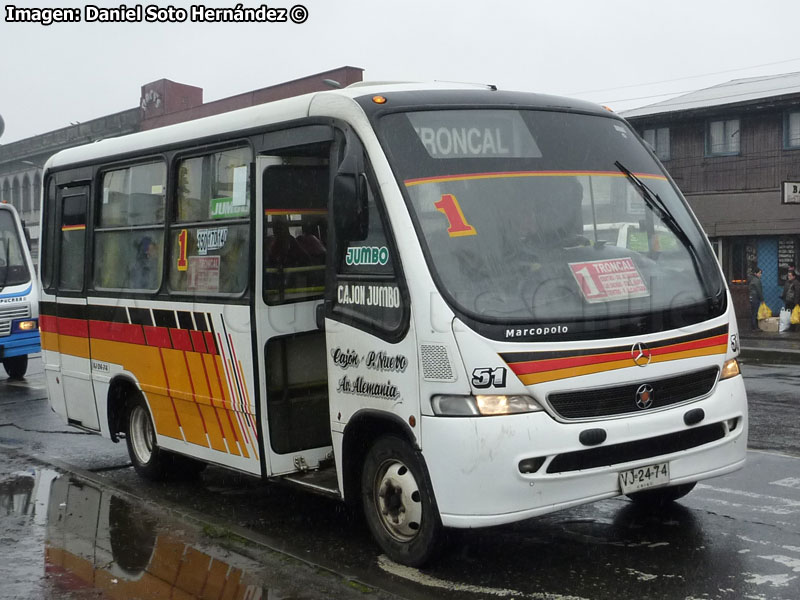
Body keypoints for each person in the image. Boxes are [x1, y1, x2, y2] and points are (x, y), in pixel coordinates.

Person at [748, 266, 764, 331]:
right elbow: (759, 291)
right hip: (755, 298)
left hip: (752, 297)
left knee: (753, 312)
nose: (760, 275)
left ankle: (753, 326)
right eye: (759, 273)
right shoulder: (757, 281)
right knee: (755, 312)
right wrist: (762, 299)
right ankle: (755, 327)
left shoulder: (752, 279)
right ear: (755, 273)